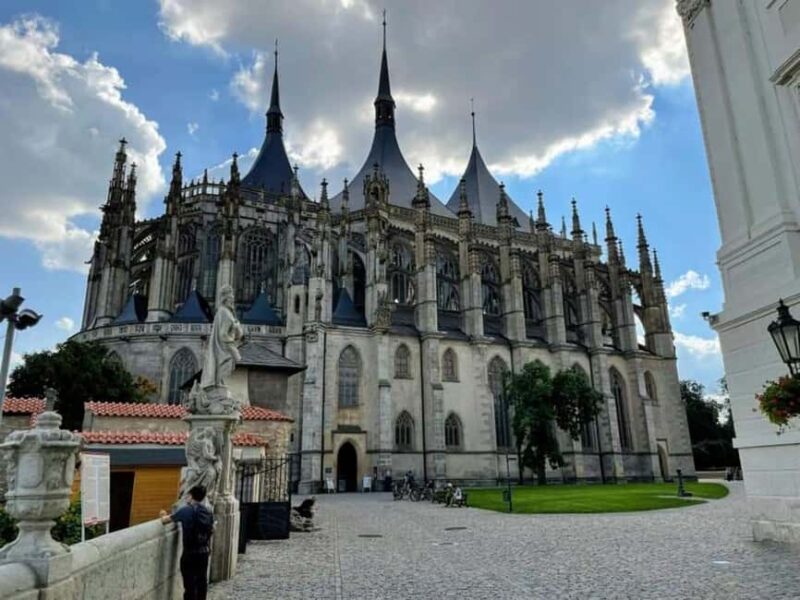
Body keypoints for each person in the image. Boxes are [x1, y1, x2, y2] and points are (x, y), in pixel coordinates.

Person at [160, 485, 214, 600]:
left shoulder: (186, 510)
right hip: (204, 552)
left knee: (189, 585)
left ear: (190, 496)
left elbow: (165, 521)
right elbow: (211, 530)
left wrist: (163, 514)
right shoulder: (208, 512)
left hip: (190, 553)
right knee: (202, 582)